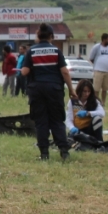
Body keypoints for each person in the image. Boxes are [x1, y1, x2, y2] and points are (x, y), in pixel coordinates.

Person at [21, 23, 77, 161]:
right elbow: (64, 71)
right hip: (54, 89)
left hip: (37, 90)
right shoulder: (56, 51)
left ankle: (44, 153)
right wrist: (71, 89)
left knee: (41, 121)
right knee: (57, 120)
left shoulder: (32, 51)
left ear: (38, 36)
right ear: (52, 36)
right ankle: (64, 151)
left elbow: (25, 72)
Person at [88, 33, 108, 106]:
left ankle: (103, 102)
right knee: (96, 88)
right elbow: (91, 58)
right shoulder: (97, 47)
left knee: (105, 88)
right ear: (104, 39)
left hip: (107, 70)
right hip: (98, 70)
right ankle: (96, 102)